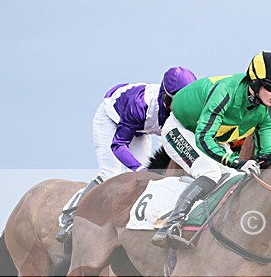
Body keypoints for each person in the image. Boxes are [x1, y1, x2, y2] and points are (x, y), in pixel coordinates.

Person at [151, 51, 271, 248]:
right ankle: (170, 225)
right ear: (254, 82)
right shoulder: (225, 92)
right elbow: (203, 137)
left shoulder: (267, 112)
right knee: (210, 172)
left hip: (212, 135)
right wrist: (235, 161)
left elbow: (268, 156)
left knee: (235, 178)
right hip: (182, 129)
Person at [56, 67, 197, 242]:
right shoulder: (139, 105)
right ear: (166, 96)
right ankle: (71, 215)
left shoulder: (179, 110)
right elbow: (118, 145)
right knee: (111, 174)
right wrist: (138, 168)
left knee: (147, 178)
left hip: (141, 127)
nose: (181, 107)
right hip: (112, 119)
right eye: (177, 101)